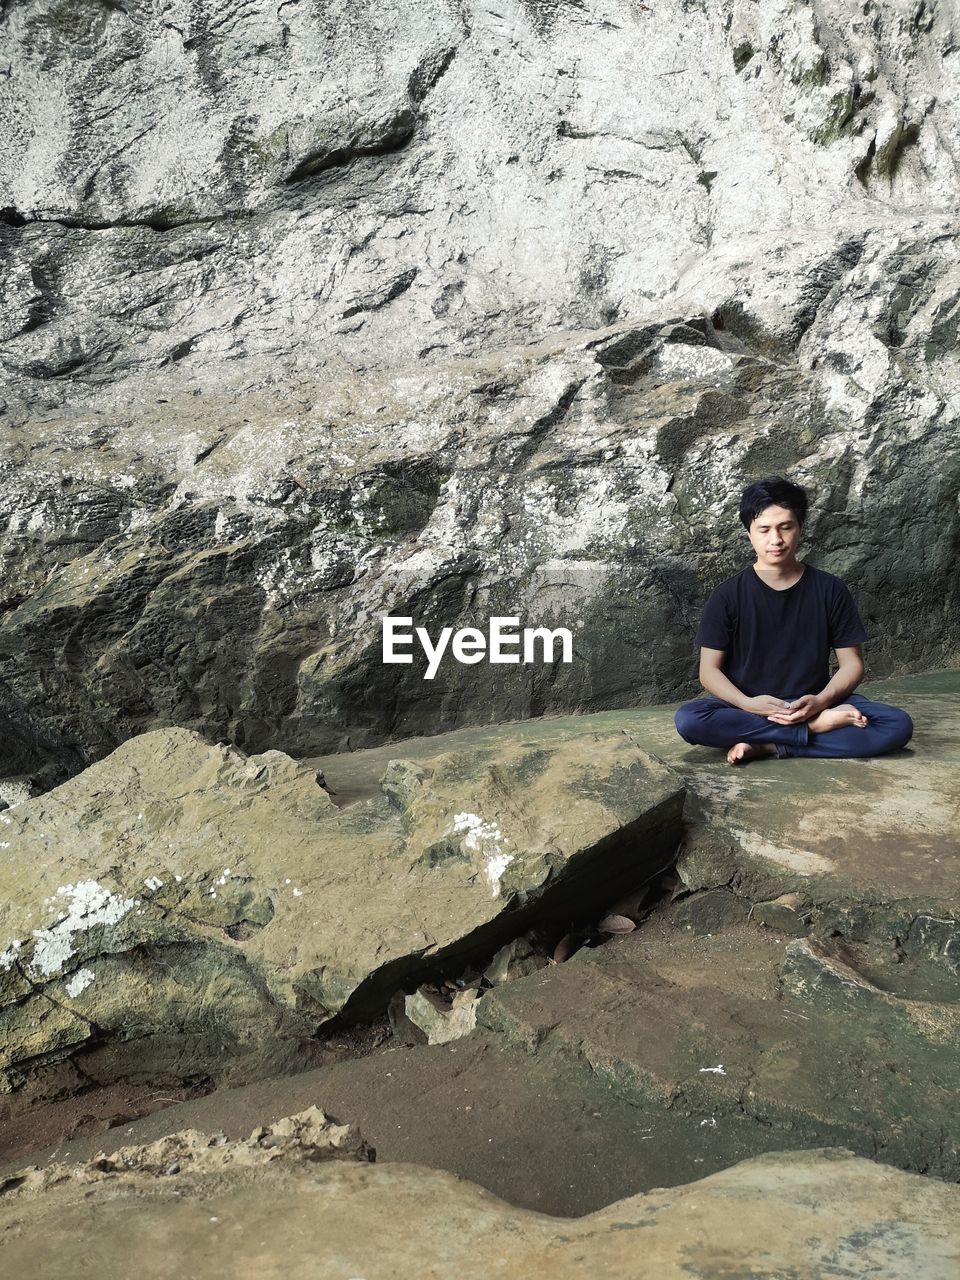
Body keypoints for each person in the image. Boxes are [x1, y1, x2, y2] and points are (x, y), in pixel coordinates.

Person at [674, 476, 914, 765]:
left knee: (896, 724)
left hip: (814, 702)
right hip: (747, 708)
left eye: (785, 527)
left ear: (800, 528)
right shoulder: (727, 595)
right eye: (764, 529)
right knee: (689, 719)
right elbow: (708, 671)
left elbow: (852, 664)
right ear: (749, 534)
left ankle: (767, 745)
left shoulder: (830, 589)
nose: (775, 539)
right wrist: (748, 703)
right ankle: (810, 732)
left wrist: (821, 703)